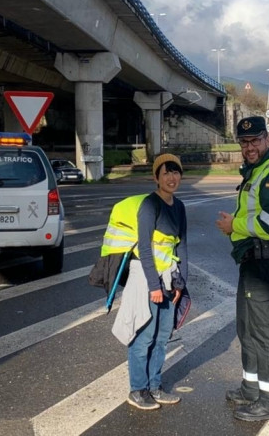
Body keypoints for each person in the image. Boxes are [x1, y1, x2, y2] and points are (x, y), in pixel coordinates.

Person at [215, 116, 269, 422]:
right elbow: (253, 217)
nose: (249, 147)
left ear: (267, 140)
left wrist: (232, 224)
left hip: (266, 260)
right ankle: (251, 389)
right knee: (247, 327)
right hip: (252, 259)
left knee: (265, 331)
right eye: (244, 142)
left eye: (255, 141)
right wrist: (234, 227)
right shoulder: (257, 172)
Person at [111, 153, 189, 411]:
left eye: (175, 172)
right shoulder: (149, 205)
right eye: (166, 172)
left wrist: (180, 283)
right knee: (143, 334)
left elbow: (182, 247)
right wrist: (154, 285)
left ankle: (155, 386)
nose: (171, 177)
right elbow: (145, 248)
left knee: (163, 336)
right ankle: (138, 389)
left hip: (169, 278)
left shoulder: (179, 207)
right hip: (146, 278)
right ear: (156, 177)